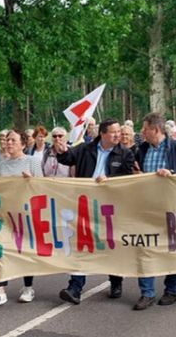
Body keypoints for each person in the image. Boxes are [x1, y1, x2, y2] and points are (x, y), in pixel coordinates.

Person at [54, 119, 136, 304]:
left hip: (110, 206)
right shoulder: (85, 149)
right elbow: (68, 158)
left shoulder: (125, 153)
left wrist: (110, 179)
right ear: (103, 134)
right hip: (86, 204)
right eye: (114, 132)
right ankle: (75, 287)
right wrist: (62, 151)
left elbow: (128, 178)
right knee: (81, 243)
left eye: (119, 131)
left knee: (111, 243)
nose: (118, 135)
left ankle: (116, 281)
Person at [132, 113, 176, 310]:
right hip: (145, 205)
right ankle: (147, 293)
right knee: (144, 247)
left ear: (156, 130)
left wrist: (173, 174)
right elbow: (132, 170)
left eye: (145, 129)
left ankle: (171, 291)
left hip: (171, 205)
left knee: (170, 247)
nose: (142, 133)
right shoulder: (141, 150)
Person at [0, 129, 44, 307]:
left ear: (23, 144)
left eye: (13, 141)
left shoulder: (32, 161)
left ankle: (28, 287)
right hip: (3, 215)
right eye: (7, 140)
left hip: (25, 214)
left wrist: (31, 180)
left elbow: (42, 187)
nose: (8, 143)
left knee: (24, 251)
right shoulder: (0, 165)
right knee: (0, 250)